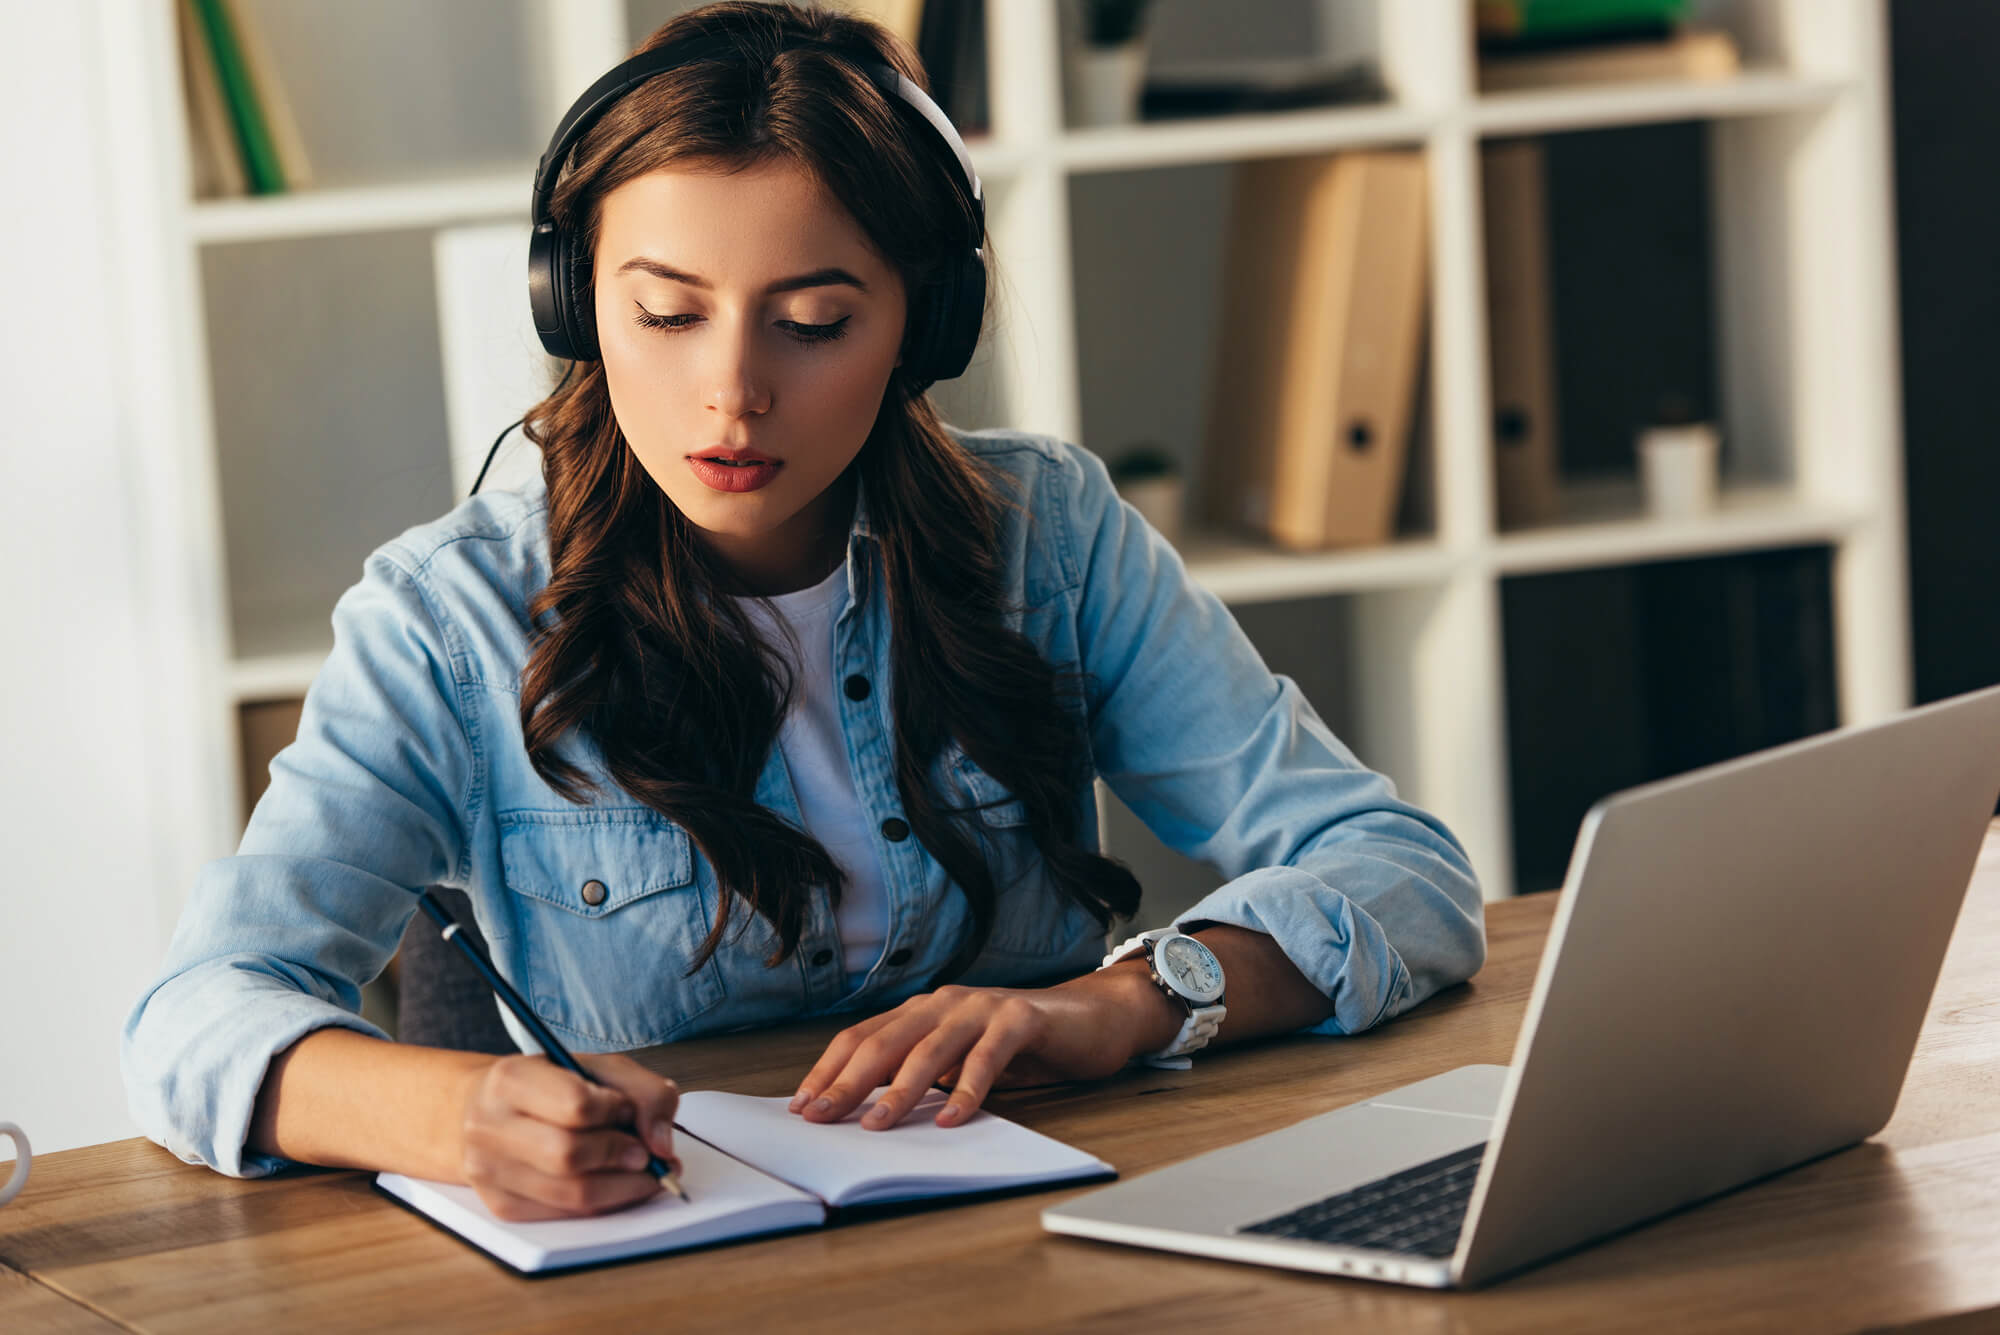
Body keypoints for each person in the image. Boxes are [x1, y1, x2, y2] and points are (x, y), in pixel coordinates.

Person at [121, 0, 1485, 1224]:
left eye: (815, 323)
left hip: (1042, 1233)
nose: (731, 394)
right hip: (663, 1270)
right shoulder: (448, 616)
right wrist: (453, 1111)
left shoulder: (1051, 540)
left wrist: (1123, 1007)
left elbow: (1400, 871)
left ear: (921, 326)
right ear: (575, 302)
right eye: (664, 314)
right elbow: (194, 1017)